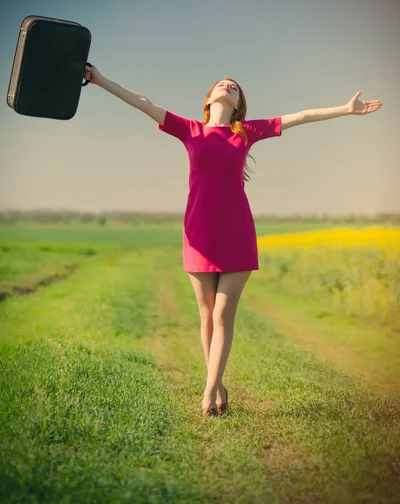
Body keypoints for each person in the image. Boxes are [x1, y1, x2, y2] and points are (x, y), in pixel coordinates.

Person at [83, 64, 382, 418]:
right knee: (207, 315)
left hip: (237, 231)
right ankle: (218, 381)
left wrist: (345, 110)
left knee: (224, 312)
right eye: (221, 85)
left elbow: (299, 116)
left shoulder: (245, 132)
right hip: (198, 233)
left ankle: (210, 388)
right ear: (208, 99)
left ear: (238, 104)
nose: (228, 87)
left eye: (234, 87)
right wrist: (100, 80)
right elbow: (143, 101)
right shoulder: (189, 130)